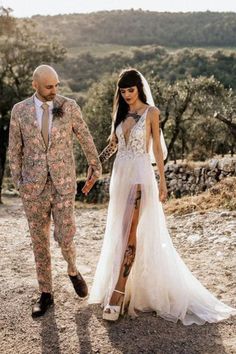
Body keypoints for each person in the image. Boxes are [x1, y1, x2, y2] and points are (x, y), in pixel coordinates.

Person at [88, 68, 236, 324]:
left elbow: (156, 149)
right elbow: (113, 146)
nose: (126, 96)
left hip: (140, 176)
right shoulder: (120, 114)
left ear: (139, 88)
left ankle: (118, 292)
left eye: (130, 91)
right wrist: (94, 169)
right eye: (122, 92)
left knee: (130, 230)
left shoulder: (151, 113)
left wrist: (163, 181)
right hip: (120, 176)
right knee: (120, 231)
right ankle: (125, 285)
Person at [8, 65, 102, 317]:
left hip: (63, 184)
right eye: (49, 86)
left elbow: (84, 135)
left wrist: (95, 163)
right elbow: (14, 149)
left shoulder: (69, 106)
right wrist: (20, 183)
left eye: (57, 85)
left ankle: (72, 269)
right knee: (39, 241)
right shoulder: (20, 111)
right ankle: (46, 293)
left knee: (65, 235)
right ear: (35, 85)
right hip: (33, 188)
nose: (54, 90)